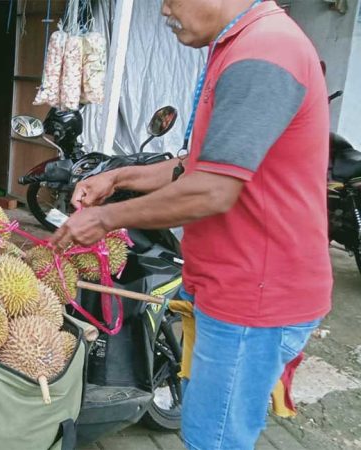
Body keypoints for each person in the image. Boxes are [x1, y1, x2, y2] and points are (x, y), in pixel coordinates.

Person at [51, 1, 331, 448]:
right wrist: (117, 177)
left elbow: (213, 190)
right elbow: (194, 168)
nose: (164, 10)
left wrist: (106, 219)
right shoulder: (240, 45)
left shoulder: (265, 52)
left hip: (255, 294)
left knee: (214, 438)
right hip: (236, 286)